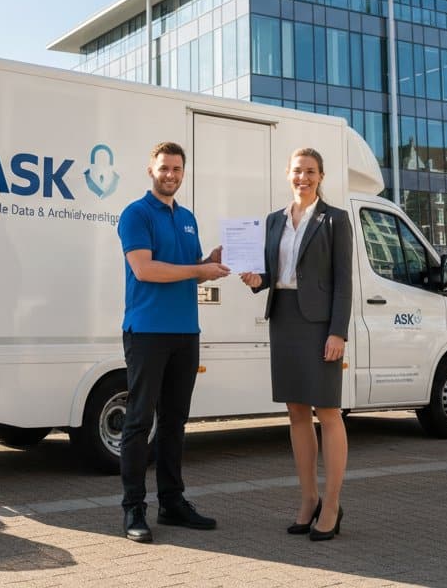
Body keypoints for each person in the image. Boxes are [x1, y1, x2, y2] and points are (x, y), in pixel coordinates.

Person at [116, 141, 229, 543]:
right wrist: (196, 270)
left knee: (174, 422)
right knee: (138, 422)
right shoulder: (136, 214)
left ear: (183, 172)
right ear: (151, 170)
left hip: (186, 331)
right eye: (164, 168)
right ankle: (133, 508)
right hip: (147, 331)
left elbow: (190, 270)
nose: (171, 175)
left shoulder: (187, 218)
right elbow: (145, 270)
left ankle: (172, 502)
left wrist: (209, 262)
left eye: (177, 169)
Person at [238, 147, 352, 541]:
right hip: (284, 319)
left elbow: (343, 281)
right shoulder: (274, 220)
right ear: (288, 174)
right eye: (297, 171)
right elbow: (270, 274)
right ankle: (308, 500)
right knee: (296, 412)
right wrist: (256, 280)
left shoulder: (335, 219)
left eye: (310, 171)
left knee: (329, 411)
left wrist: (338, 332)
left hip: (320, 325)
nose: (303, 177)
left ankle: (332, 505)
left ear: (321, 176)